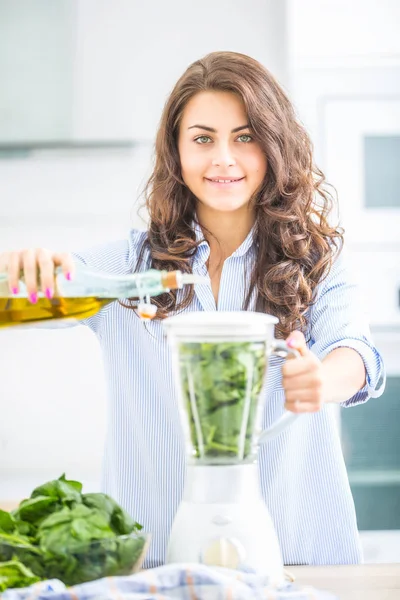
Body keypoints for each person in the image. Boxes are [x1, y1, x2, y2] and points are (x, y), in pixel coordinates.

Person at [0, 51, 385, 567]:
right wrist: (28, 273)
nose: (223, 158)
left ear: (274, 146)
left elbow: (356, 353)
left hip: (300, 557)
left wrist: (323, 379)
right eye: (202, 139)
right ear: (176, 152)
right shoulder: (127, 267)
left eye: (244, 137)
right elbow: (37, 289)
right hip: (153, 561)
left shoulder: (317, 263)